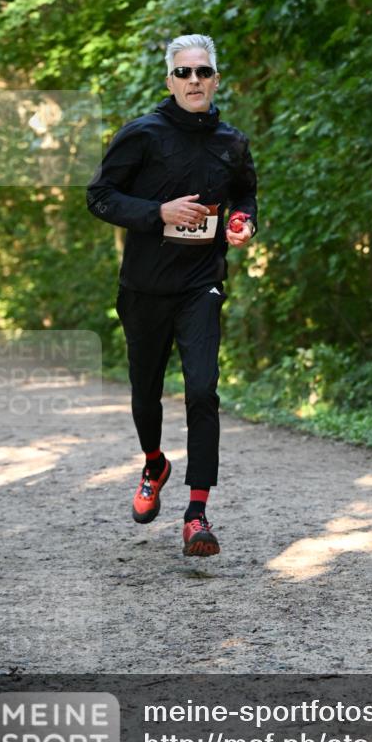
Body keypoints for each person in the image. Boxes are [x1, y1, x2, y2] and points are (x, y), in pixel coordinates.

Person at [87, 34, 257, 557]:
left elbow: (245, 195)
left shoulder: (232, 142)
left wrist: (242, 222)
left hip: (200, 283)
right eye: (183, 73)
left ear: (216, 80)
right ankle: (155, 464)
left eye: (203, 72)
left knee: (203, 390)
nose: (194, 81)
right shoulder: (141, 135)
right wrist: (156, 212)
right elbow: (100, 197)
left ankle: (197, 514)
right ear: (169, 81)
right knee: (145, 388)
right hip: (144, 286)